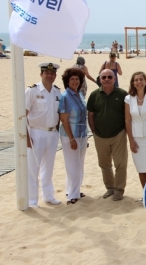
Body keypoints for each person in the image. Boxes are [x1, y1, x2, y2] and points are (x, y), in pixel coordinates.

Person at [87, 69, 128, 201]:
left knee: (120, 164)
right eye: (103, 77)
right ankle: (110, 188)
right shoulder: (94, 95)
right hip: (99, 135)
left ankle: (119, 190)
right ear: (100, 79)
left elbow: (128, 114)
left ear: (114, 79)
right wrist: (94, 131)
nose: (106, 79)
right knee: (104, 164)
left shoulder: (122, 94)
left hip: (118, 134)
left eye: (110, 77)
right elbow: (91, 114)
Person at [25, 62, 62, 207]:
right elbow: (22, 115)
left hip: (52, 133)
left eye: (52, 73)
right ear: (41, 74)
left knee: (49, 167)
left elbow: (58, 114)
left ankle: (48, 196)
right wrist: (27, 137)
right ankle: (32, 200)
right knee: (33, 168)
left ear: (55, 76)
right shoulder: (32, 91)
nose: (49, 75)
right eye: (46, 73)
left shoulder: (57, 92)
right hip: (36, 132)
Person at [59, 68, 88, 205]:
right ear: (67, 81)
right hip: (70, 135)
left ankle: (72, 189)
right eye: (72, 79)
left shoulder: (80, 94)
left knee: (79, 164)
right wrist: (71, 139)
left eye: (77, 79)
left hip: (82, 134)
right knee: (72, 165)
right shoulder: (65, 97)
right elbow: (64, 120)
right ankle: (72, 195)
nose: (75, 81)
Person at [124, 72, 146, 192]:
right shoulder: (129, 99)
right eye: (136, 80)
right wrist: (131, 140)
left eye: (141, 79)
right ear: (133, 83)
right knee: (141, 168)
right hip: (136, 137)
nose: (139, 82)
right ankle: (145, 193)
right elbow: (128, 120)